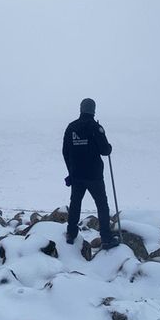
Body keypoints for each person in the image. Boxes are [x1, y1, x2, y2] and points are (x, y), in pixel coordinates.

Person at [62, 98, 119, 249]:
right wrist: (109, 147)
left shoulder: (71, 127)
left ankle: (71, 234)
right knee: (102, 205)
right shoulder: (96, 127)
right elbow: (105, 150)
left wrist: (71, 172)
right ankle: (106, 238)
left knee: (75, 203)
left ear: (81, 109)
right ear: (93, 110)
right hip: (94, 175)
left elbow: (65, 152)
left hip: (77, 175)